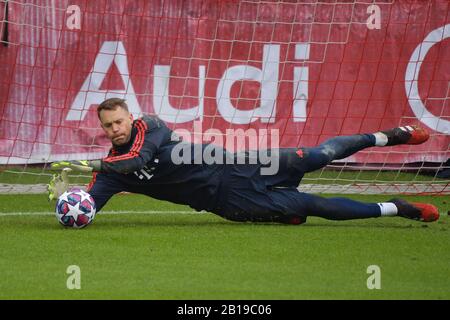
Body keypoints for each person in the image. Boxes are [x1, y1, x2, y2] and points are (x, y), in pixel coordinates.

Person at [48, 98, 439, 225]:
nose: (115, 129)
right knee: (309, 205)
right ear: (102, 128)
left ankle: (388, 136)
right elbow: (89, 206)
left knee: (320, 155)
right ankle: (397, 209)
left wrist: (90, 166)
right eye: (108, 126)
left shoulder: (150, 126)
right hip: (228, 202)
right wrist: (69, 201)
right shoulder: (112, 169)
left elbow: (136, 161)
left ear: (129, 118)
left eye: (118, 122)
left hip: (240, 164)